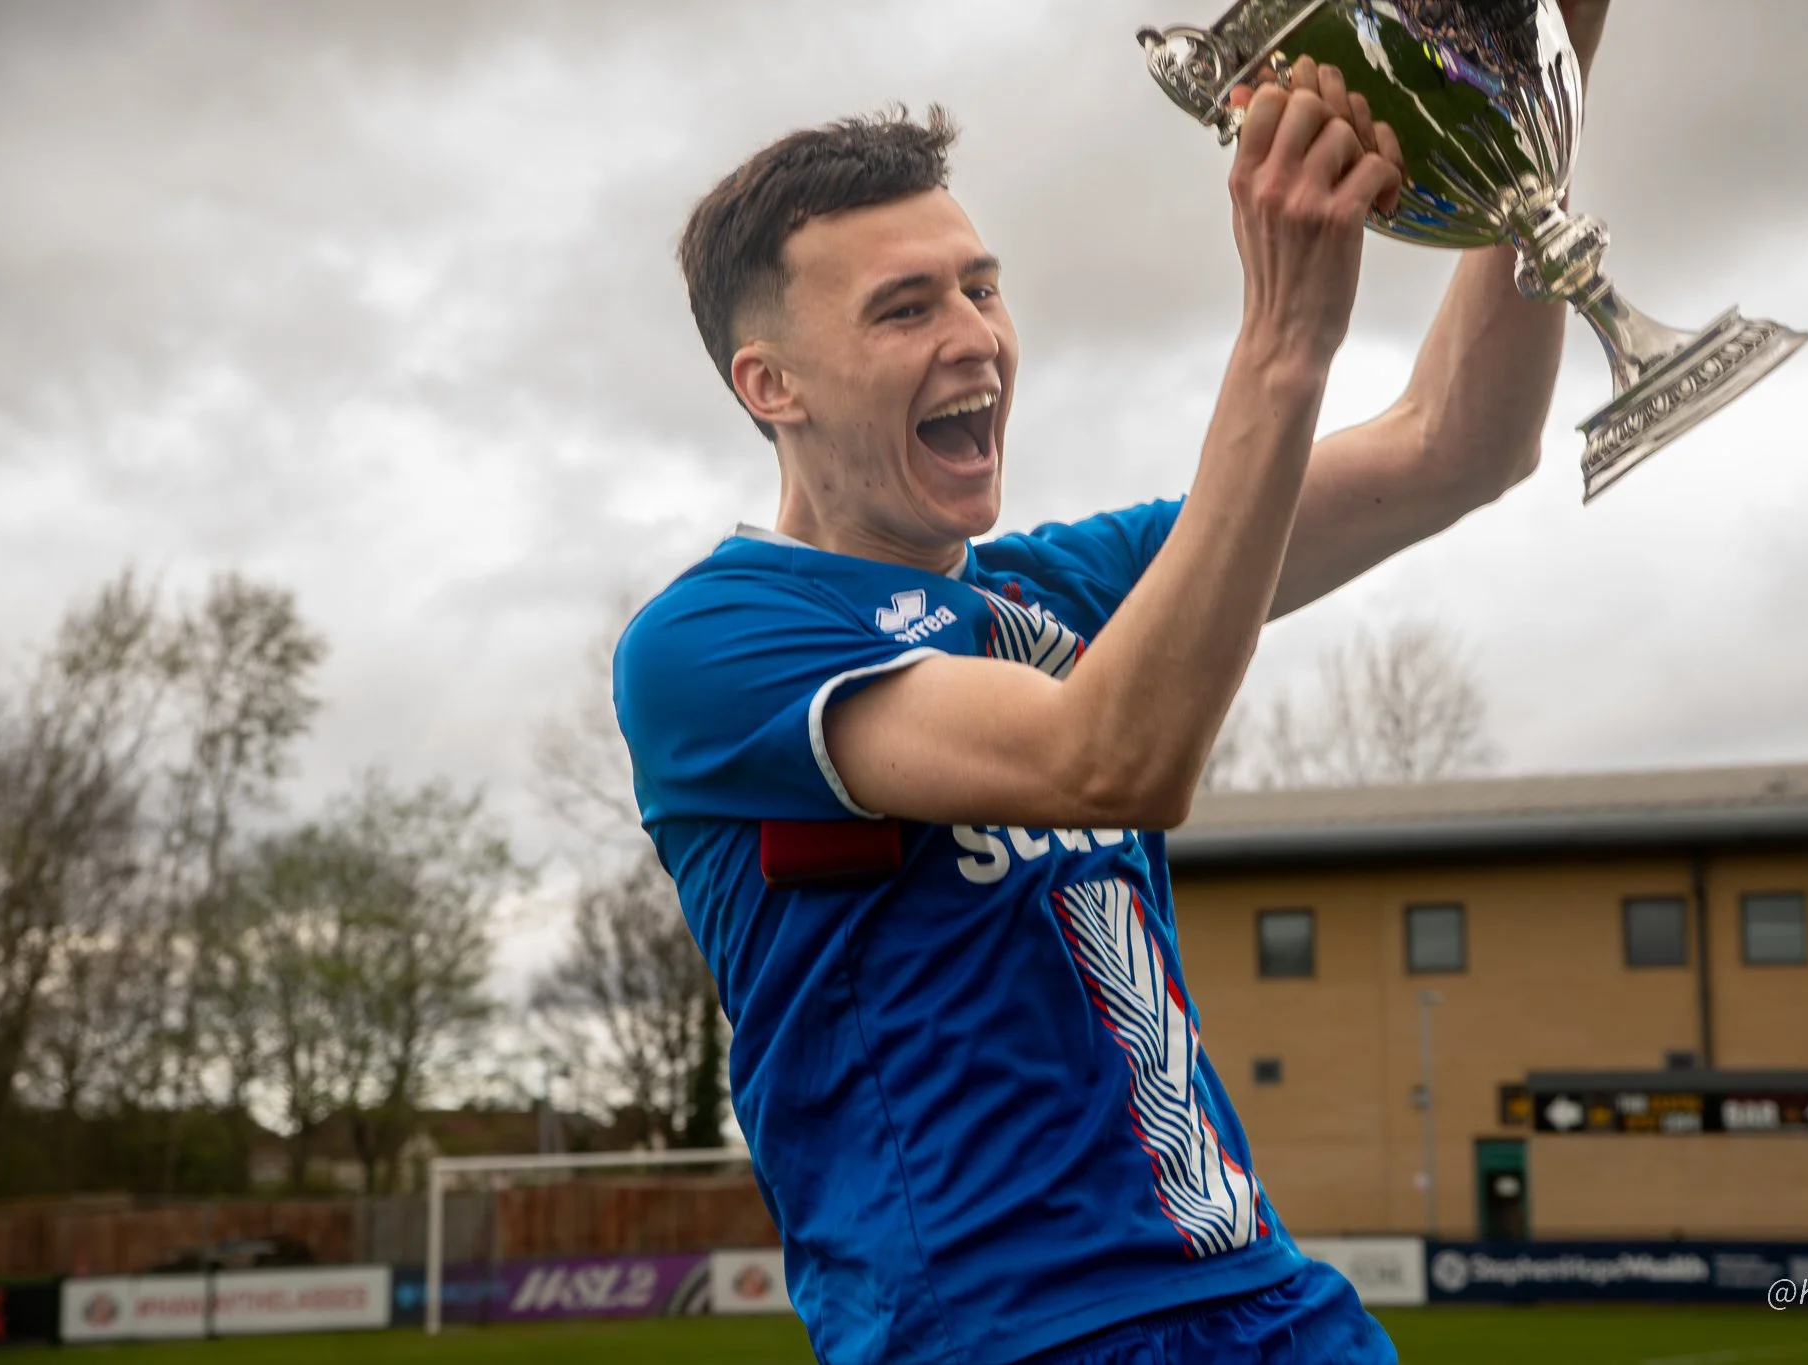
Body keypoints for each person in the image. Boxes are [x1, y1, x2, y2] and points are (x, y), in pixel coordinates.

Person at [616, 7, 1609, 1362]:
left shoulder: (1061, 587)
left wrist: (1537, 73)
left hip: (1266, 1303)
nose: (974, 335)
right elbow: (1108, 761)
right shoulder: (713, 641)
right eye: (905, 308)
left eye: (981, 288)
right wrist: (1282, 346)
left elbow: (1460, 444)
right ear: (770, 384)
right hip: (1005, 1336)